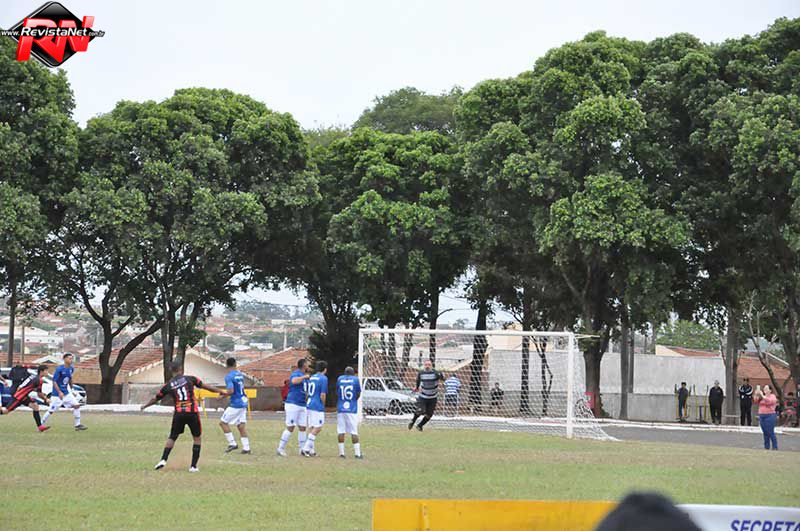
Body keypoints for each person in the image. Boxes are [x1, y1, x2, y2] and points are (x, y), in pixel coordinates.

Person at [140, 361, 229, 472]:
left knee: (172, 437)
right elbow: (206, 387)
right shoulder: (190, 379)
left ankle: (163, 459)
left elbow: (156, 398)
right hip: (192, 412)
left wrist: (145, 406)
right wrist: (221, 391)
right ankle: (193, 466)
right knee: (197, 438)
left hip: (179, 414)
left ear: (171, 371)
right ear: (181, 369)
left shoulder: (168, 385)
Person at [41, 353, 87, 431]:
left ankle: (77, 425)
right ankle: (41, 424)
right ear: (65, 359)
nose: (71, 360)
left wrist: (72, 390)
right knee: (51, 410)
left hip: (66, 393)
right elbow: (54, 381)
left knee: (76, 405)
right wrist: (59, 392)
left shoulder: (71, 368)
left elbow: (70, 379)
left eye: (72, 358)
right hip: (57, 395)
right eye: (69, 358)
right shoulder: (59, 369)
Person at [0, 365, 51, 431]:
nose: (47, 372)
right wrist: (46, 399)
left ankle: (40, 427)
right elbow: (39, 394)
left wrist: (22, 391)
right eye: (46, 371)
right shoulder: (39, 380)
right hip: (19, 397)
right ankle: (40, 426)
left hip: (23, 396)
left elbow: (22, 385)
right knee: (5, 411)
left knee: (35, 406)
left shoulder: (32, 376)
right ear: (41, 371)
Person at [276, 358, 311, 457]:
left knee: (303, 427)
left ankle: (302, 449)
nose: (309, 366)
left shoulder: (306, 377)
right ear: (304, 365)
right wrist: (304, 377)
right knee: (290, 427)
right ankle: (280, 448)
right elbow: (294, 381)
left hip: (302, 404)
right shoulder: (296, 374)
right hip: (293, 404)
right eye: (307, 364)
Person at [219, 357, 250, 454]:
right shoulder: (240, 374)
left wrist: (222, 396)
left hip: (236, 403)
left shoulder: (229, 376)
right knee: (241, 426)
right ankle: (246, 448)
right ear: (235, 364)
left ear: (226, 365)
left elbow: (231, 391)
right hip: (243, 401)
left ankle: (232, 443)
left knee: (223, 423)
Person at [408, 359, 444, 432]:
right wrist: (417, 388)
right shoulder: (421, 373)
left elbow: (442, 379)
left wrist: (441, 375)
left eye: (429, 365)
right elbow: (418, 380)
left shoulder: (435, 373)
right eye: (426, 365)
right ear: (424, 365)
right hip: (423, 396)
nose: (427, 366)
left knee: (429, 414)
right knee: (420, 411)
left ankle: (420, 426)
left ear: (431, 366)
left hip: (433, 397)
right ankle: (413, 421)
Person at [301, 361, 328, 457]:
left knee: (311, 427)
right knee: (318, 427)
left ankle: (311, 450)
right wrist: (323, 405)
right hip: (317, 405)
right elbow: (322, 394)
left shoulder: (312, 377)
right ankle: (305, 448)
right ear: (325, 369)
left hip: (309, 403)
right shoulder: (323, 378)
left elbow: (308, 392)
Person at [336, 366, 362, 459]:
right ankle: (357, 454)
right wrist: (353, 401)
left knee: (341, 431)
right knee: (354, 431)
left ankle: (341, 453)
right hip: (351, 408)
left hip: (341, 408)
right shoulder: (355, 379)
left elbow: (337, 392)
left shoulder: (340, 379)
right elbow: (358, 393)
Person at [753, 384, 778, 450]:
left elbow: (770, 401)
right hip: (762, 416)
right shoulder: (762, 397)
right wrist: (756, 394)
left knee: (770, 431)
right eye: (764, 388)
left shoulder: (772, 396)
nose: (765, 390)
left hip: (770, 415)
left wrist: (762, 395)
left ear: (770, 390)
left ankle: (775, 446)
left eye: (766, 389)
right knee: (765, 432)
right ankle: (766, 447)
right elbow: (755, 401)